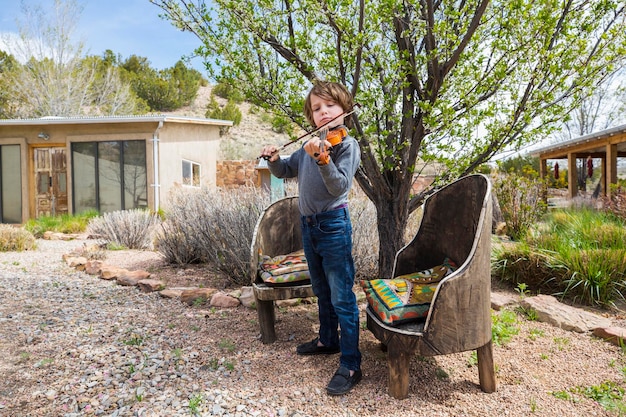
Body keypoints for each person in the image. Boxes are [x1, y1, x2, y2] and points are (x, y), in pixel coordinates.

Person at [260, 81, 362, 396]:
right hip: (309, 225)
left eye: (329, 105)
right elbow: (284, 170)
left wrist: (323, 159)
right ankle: (327, 340)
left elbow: (338, 187)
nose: (323, 112)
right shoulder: (311, 144)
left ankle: (351, 363)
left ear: (344, 108)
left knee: (342, 295)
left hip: (333, 225)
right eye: (316, 108)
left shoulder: (345, 146)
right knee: (320, 288)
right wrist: (274, 160)